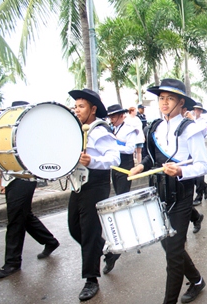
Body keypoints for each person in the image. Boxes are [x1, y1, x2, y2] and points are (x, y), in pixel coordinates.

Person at [129, 78, 207, 304]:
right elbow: (151, 157)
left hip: (181, 197)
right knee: (170, 248)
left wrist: (180, 172)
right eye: (161, 98)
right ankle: (196, 281)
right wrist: (141, 166)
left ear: (180, 102)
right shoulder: (154, 127)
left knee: (173, 256)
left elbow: (203, 165)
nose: (164, 103)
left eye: (170, 98)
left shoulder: (190, 128)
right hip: (157, 194)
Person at [68, 89, 120, 301]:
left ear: (93, 109)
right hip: (78, 184)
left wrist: (94, 162)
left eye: (81, 106)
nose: (76, 109)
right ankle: (107, 251)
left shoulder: (101, 131)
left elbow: (114, 158)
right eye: (76, 106)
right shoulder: (76, 129)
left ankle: (91, 279)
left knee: (89, 232)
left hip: (96, 184)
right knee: (74, 228)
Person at [0, 103, 60, 280]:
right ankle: (50, 241)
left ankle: (12, 262)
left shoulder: (33, 131)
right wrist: (1, 181)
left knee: (16, 219)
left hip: (25, 177)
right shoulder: (5, 129)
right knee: (24, 215)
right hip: (11, 176)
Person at [108, 104, 138, 195]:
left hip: (125, 165)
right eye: (110, 117)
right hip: (115, 165)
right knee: (117, 192)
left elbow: (130, 149)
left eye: (113, 117)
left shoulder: (129, 129)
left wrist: (114, 148)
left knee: (123, 194)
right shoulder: (112, 129)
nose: (111, 120)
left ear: (121, 116)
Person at [185, 102, 207, 206]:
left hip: (198, 148)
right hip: (188, 148)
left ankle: (199, 195)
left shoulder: (203, 122)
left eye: (198, 110)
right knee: (191, 174)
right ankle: (204, 186)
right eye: (195, 109)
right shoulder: (187, 120)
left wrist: (192, 120)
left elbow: (202, 132)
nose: (196, 111)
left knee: (199, 173)